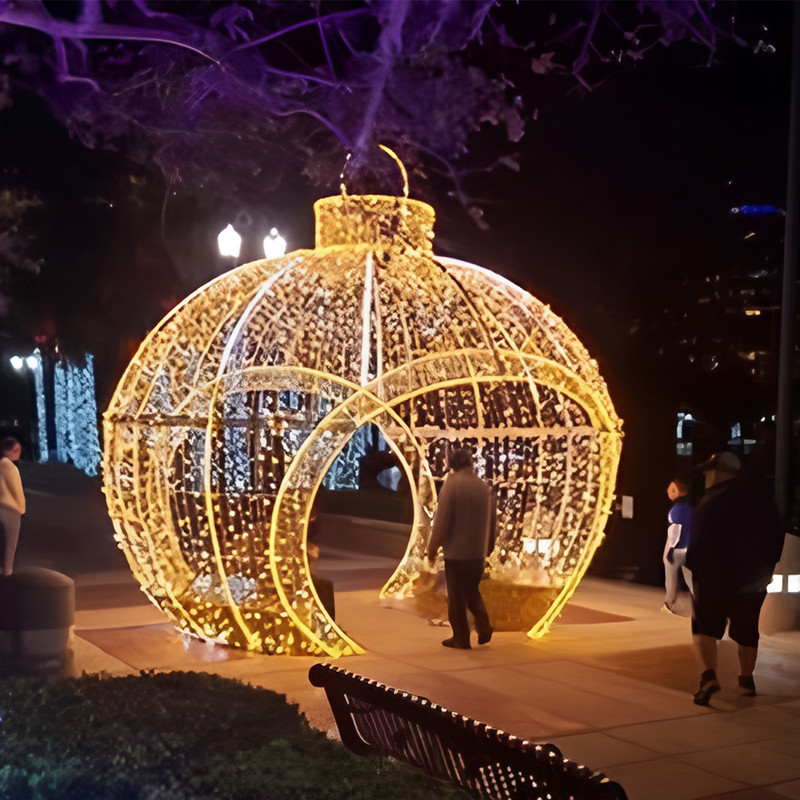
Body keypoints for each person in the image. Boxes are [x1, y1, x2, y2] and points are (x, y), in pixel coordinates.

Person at [685, 451, 784, 705]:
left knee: (703, 627)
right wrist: (767, 571)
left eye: (710, 471)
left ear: (721, 472)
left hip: (715, 580)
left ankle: (708, 677)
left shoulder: (712, 499)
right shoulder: (763, 499)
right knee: (748, 630)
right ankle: (746, 681)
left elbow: (699, 542)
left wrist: (696, 572)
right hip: (753, 581)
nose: (707, 476)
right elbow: (776, 536)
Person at [425, 446, 496, 649]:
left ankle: (461, 637)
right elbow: (493, 522)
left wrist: (432, 549)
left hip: (457, 553)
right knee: (472, 591)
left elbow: (442, 521)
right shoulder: (483, 487)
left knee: (456, 598)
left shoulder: (452, 485)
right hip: (477, 553)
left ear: (452, 465)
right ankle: (484, 627)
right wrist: (488, 547)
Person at [663, 478, 693, 611]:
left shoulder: (675, 511)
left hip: (676, 548)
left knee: (671, 574)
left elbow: (675, 530)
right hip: (689, 547)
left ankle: (670, 602)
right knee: (690, 577)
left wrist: (671, 549)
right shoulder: (691, 510)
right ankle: (699, 599)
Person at [0, 436, 26, 575]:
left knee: (4, 544)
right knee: (10, 545)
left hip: (4, 507)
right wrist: (21, 508)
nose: (18, 452)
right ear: (6, 450)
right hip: (10, 509)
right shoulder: (7, 465)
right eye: (15, 450)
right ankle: (6, 572)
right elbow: (16, 489)